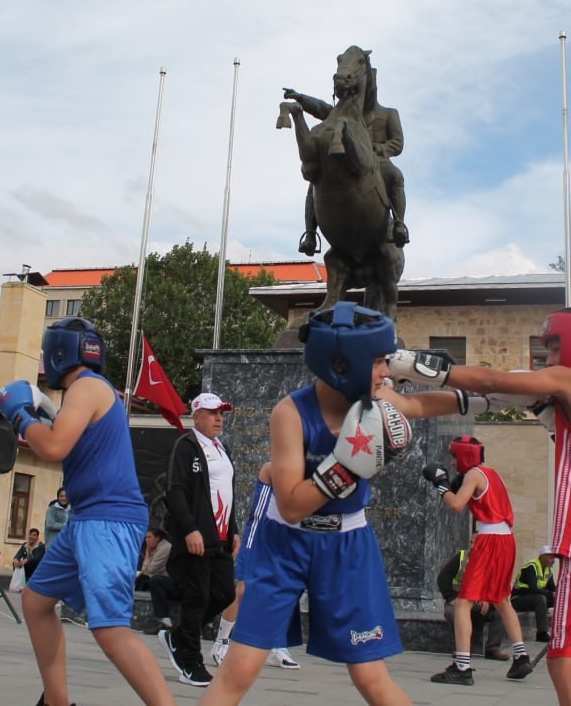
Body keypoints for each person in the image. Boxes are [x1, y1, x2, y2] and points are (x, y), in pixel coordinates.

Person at [389, 305, 571, 706]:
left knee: (565, 660)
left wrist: (409, 364)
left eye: (552, 348)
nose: (547, 360)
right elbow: (485, 395)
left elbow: (490, 379)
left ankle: (463, 662)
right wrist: (408, 404)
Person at [201, 302, 417, 706]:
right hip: (284, 543)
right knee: (240, 669)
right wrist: (349, 467)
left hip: (348, 543)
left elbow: (431, 402)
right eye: (376, 361)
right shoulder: (290, 412)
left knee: (371, 676)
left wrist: (481, 393)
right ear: (343, 362)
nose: (386, 372)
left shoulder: (377, 401)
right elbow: (291, 506)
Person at [0, 316, 174, 706]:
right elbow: (65, 441)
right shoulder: (89, 390)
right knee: (36, 600)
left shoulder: (86, 388)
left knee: (110, 628)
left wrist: (20, 416)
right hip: (88, 520)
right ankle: (57, 701)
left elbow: (54, 447)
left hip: (107, 521)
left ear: (56, 352)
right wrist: (36, 412)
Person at [413, 434, 531, 684]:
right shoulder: (491, 473)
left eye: (455, 457)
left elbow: (456, 505)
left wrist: (441, 485)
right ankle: (521, 657)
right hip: (506, 540)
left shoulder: (474, 475)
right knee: (501, 598)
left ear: (465, 455)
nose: (454, 463)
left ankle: (462, 667)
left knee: (463, 604)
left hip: (489, 541)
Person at [282, 57, 409, 254]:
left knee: (395, 176)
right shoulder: (347, 112)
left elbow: (397, 143)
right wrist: (300, 98)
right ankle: (310, 234)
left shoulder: (389, 113)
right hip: (344, 157)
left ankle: (398, 224)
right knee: (313, 185)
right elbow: (322, 108)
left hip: (377, 160)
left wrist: (377, 149)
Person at [159, 392, 239, 688]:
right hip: (194, 537)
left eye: (222, 412)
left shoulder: (222, 447)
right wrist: (190, 528)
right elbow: (175, 491)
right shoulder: (187, 445)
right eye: (212, 412)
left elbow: (226, 492)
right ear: (197, 416)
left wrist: (235, 530)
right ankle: (190, 662)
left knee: (224, 593)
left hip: (219, 538)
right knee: (197, 598)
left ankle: (178, 637)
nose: (219, 418)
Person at [209, 463, 301, 671]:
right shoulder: (272, 468)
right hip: (258, 535)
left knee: (280, 592)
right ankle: (221, 642)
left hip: (283, 538)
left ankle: (275, 645)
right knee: (243, 589)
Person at [436, 548, 509, 663]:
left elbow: (495, 585)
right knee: (452, 611)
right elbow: (443, 577)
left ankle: (492, 649)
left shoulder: (491, 560)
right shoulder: (462, 557)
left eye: (476, 542)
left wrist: (487, 599)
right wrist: (451, 597)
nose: (473, 546)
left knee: (500, 611)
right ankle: (463, 649)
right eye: (471, 542)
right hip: (460, 600)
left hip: (480, 602)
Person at [511, 545, 558, 644]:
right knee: (541, 598)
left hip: (532, 599)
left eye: (553, 557)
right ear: (542, 557)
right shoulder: (531, 566)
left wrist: (558, 593)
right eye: (550, 557)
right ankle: (541, 633)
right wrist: (550, 593)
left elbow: (553, 589)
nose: (553, 560)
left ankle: (559, 631)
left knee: (559, 598)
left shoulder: (548, 570)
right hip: (518, 599)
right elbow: (533, 588)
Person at [137, 527, 178, 631]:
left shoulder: (165, 549)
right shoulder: (156, 548)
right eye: (146, 538)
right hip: (161, 580)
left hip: (172, 583)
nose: (147, 540)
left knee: (155, 580)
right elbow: (145, 570)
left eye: (149, 537)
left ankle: (165, 621)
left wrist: (147, 553)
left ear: (158, 538)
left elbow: (149, 570)